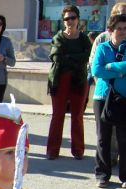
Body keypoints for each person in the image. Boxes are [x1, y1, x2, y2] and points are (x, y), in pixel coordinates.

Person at [46, 5, 91, 160]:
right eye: (66, 18)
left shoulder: (84, 38)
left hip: (79, 80)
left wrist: (69, 58)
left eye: (72, 17)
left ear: (78, 19)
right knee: (57, 115)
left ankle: (78, 150)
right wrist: (75, 58)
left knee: (77, 116)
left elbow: (86, 57)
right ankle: (52, 150)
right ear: (63, 21)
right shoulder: (58, 37)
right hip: (60, 79)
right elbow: (57, 57)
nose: (70, 21)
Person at [88, 2, 126, 166]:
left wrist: (110, 67)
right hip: (104, 91)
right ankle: (106, 167)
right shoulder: (102, 40)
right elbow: (94, 67)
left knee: (123, 135)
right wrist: (115, 73)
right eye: (119, 13)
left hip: (122, 93)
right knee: (104, 135)